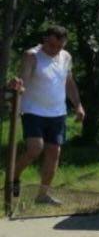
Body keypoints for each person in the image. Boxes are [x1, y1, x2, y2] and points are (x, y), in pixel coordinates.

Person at [7, 25, 85, 205]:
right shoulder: (32, 56)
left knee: (54, 152)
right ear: (45, 40)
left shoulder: (66, 57)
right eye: (52, 46)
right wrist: (18, 85)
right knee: (35, 149)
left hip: (57, 113)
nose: (55, 50)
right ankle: (14, 177)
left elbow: (69, 82)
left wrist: (78, 105)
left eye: (60, 46)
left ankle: (42, 195)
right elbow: (23, 80)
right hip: (33, 110)